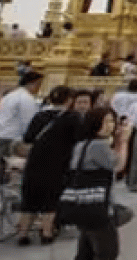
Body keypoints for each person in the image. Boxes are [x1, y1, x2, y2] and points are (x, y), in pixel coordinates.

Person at [15, 86, 87, 246]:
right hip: (57, 162)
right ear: (69, 100)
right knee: (51, 197)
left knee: (30, 196)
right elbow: (80, 138)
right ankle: (46, 232)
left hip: (35, 161)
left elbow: (28, 137)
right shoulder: (72, 117)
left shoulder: (40, 115)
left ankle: (23, 233)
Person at [68, 106, 121, 260]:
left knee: (86, 252)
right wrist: (122, 142)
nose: (110, 125)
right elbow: (118, 165)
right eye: (105, 121)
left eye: (112, 121)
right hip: (98, 207)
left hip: (83, 203)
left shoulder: (82, 144)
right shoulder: (98, 146)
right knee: (107, 252)